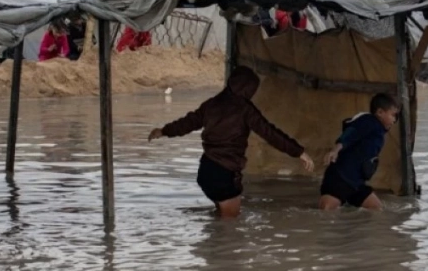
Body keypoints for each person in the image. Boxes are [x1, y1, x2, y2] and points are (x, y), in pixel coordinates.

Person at [148, 66, 315, 217]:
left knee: (219, 220)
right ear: (249, 90)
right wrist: (298, 151)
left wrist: (164, 131)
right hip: (225, 175)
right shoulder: (245, 109)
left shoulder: (211, 104)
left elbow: (187, 123)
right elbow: (270, 133)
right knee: (230, 231)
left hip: (205, 171)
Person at [319, 93, 400, 211]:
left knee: (376, 208)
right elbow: (350, 133)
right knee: (326, 210)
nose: (394, 120)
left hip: (356, 183)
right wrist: (335, 150)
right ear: (380, 112)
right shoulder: (368, 121)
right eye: (393, 115)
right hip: (340, 177)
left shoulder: (378, 132)